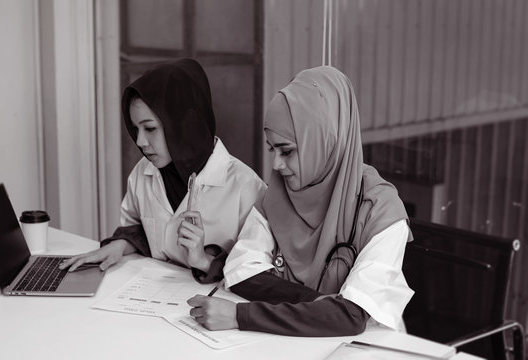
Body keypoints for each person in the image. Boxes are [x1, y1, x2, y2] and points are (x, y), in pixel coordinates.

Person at [187, 65, 413, 335]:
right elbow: (241, 273)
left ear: (323, 141)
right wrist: (319, 305)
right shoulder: (278, 194)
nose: (277, 165)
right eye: (272, 149)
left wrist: (242, 315)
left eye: (287, 151)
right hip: (290, 341)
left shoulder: (381, 210)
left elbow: (350, 317)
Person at [60, 59, 266, 283]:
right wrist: (120, 245)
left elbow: (259, 273)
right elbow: (137, 226)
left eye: (150, 128)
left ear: (184, 123)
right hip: (150, 296)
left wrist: (204, 261)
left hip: (211, 307)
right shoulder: (143, 172)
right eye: (135, 128)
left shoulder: (247, 188)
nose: (140, 141)